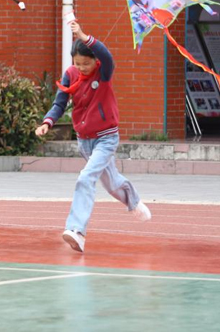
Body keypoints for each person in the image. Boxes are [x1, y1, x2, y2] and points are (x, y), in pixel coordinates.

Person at [36, 19, 151, 253]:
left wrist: (83, 34)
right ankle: (135, 201)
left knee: (85, 178)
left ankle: (76, 231)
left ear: (94, 61)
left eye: (86, 64)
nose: (82, 68)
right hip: (84, 141)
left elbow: (106, 55)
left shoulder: (104, 70)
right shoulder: (71, 74)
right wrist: (47, 122)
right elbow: (59, 104)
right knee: (112, 183)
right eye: (78, 64)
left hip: (106, 138)